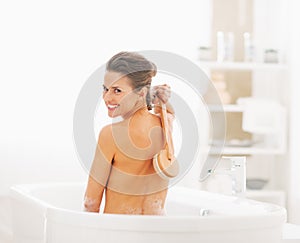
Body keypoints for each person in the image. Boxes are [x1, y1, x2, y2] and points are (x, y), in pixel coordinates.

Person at [83, 51, 175, 215]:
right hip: (157, 232)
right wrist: (150, 96)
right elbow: (169, 113)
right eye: (105, 89)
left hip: (119, 233)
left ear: (141, 92)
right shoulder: (164, 126)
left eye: (117, 91)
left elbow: (91, 203)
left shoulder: (111, 135)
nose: (107, 98)